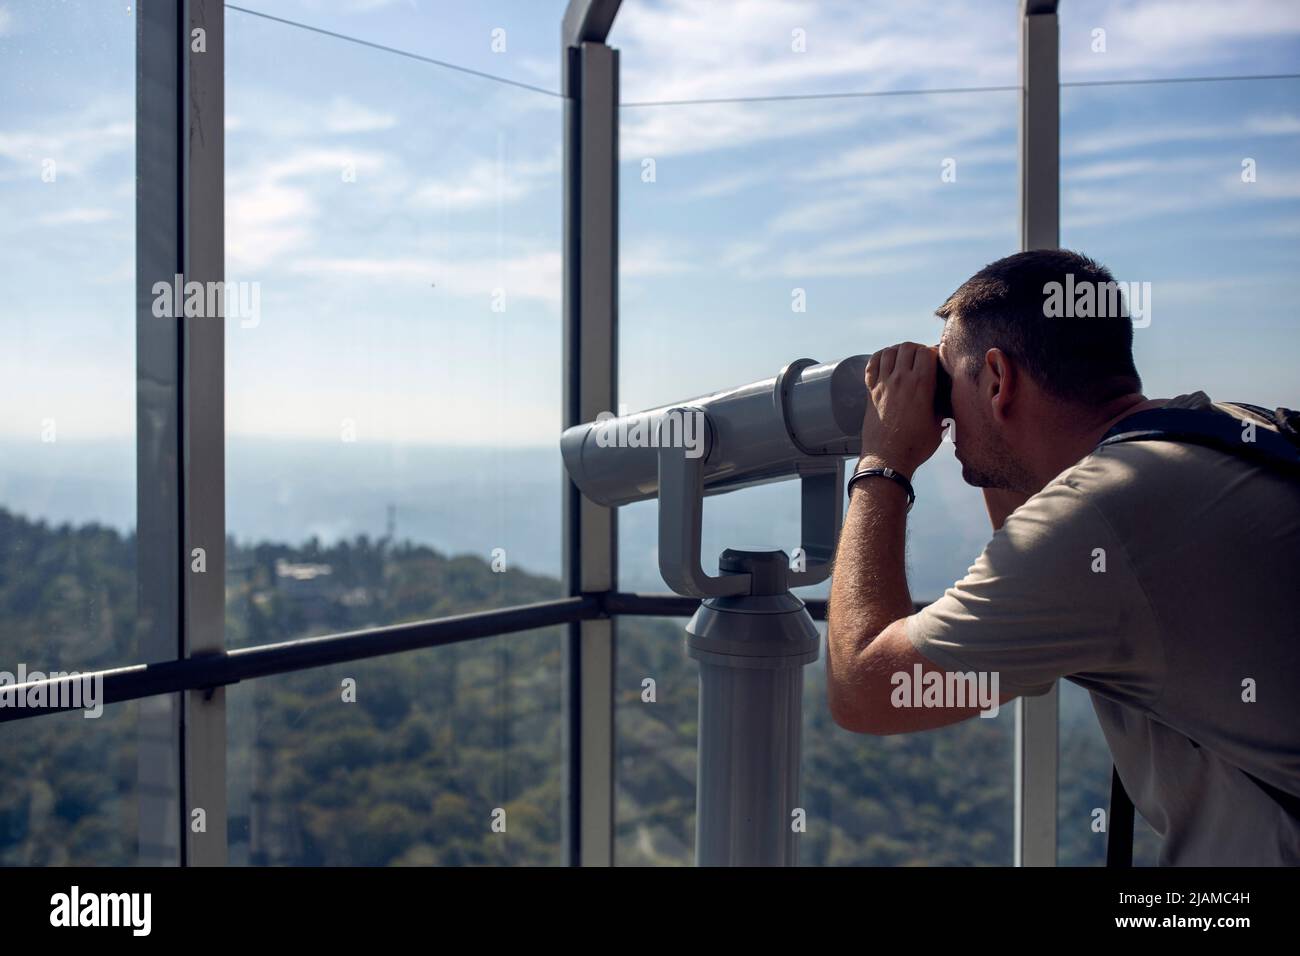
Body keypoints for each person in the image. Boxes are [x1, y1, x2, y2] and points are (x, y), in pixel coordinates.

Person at [825, 249, 1300, 866]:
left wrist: (882, 462)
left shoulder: (1099, 519)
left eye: (953, 385)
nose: (944, 412)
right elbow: (1028, 536)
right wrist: (978, 416)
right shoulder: (1233, 431)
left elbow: (865, 688)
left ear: (998, 380)